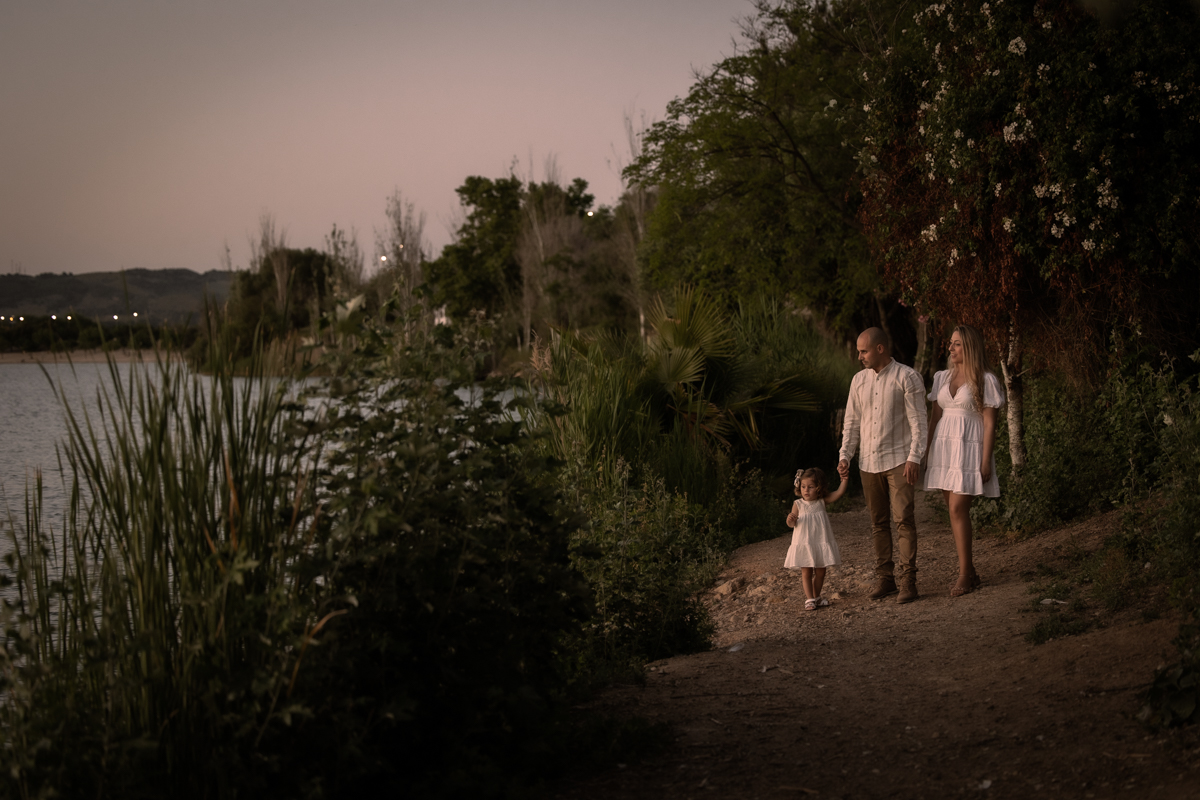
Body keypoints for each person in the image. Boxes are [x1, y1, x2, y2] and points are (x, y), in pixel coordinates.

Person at [838, 327, 928, 604]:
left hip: (899, 460)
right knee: (878, 523)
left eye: (863, 351)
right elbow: (852, 422)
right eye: (858, 352)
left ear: (880, 348)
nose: (860, 357)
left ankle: (908, 581)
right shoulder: (858, 381)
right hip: (868, 461)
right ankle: (885, 579)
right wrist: (845, 455)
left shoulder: (907, 377)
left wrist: (914, 457)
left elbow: (919, 422)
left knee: (904, 519)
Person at [922, 324, 1005, 597]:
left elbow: (990, 424)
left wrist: (985, 462)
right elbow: (934, 418)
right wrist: (924, 451)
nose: (950, 347)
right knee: (955, 512)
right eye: (950, 343)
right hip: (944, 449)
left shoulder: (985, 379)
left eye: (957, 343)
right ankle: (970, 571)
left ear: (968, 347)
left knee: (957, 508)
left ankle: (964, 575)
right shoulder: (941, 377)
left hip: (969, 449)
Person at [784, 468, 848, 610]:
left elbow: (839, 493)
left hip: (820, 542)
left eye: (811, 487)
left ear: (819, 488)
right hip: (804, 543)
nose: (806, 490)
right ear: (799, 487)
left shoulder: (822, 501)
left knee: (821, 572)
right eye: (803, 486)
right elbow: (791, 524)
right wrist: (790, 519)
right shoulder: (798, 504)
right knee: (806, 571)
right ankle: (809, 599)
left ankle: (816, 597)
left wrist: (845, 480)